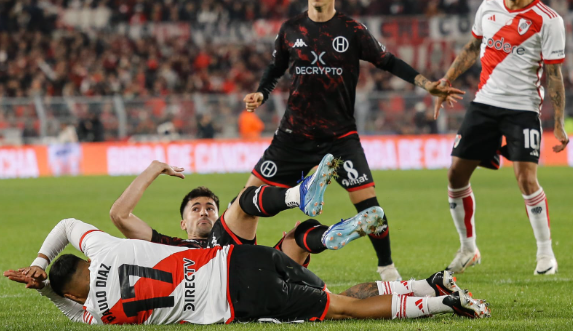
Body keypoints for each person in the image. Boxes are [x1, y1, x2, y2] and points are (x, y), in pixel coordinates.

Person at [243, 0, 465, 281]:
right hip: (293, 135)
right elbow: (275, 69)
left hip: (339, 138)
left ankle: (387, 269)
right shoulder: (291, 30)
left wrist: (426, 84)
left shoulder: (352, 30)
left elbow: (388, 61)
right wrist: (262, 93)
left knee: (370, 207)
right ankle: (240, 262)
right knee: (246, 200)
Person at [4, 218, 490, 324]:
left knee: (343, 308)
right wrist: (40, 262)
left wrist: (44, 290)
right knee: (333, 290)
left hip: (238, 302)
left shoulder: (104, 315)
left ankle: (441, 302)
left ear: (77, 292)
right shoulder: (105, 248)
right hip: (243, 258)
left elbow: (75, 315)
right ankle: (433, 284)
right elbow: (67, 224)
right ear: (86, 261)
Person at [434, 0, 568, 275]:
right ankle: (468, 249)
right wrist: (446, 80)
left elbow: (554, 75)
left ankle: (545, 254)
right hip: (484, 104)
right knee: (455, 176)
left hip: (522, 109)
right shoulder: (488, 7)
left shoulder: (549, 20)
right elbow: (471, 48)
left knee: (526, 179)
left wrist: (559, 124)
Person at [109, 156, 385, 267]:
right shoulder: (168, 245)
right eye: (196, 209)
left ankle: (330, 237)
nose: (205, 212)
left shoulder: (226, 234)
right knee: (242, 201)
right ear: (183, 223)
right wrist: (154, 168)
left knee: (299, 234)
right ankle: (299, 194)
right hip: (218, 272)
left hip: (249, 273)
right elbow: (119, 216)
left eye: (210, 208)